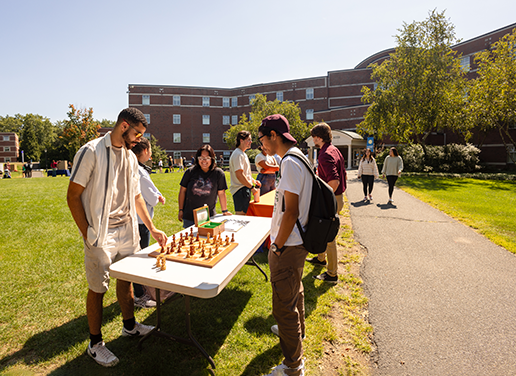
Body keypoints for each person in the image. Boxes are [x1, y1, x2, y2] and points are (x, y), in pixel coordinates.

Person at [66, 107, 168, 367]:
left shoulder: (131, 158)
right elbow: (73, 195)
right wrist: (87, 232)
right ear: (123, 126)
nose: (138, 140)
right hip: (100, 233)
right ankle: (95, 343)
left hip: (127, 229)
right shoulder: (91, 151)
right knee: (98, 288)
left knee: (126, 280)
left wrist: (152, 227)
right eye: (136, 134)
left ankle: (129, 326)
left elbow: (136, 197)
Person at [258, 114, 312, 376]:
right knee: (295, 294)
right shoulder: (298, 157)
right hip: (297, 244)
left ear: (273, 136)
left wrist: (277, 246)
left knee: (283, 307)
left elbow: (290, 212)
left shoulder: (290, 163)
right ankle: (297, 338)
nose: (262, 146)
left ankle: (292, 366)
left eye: (263, 140)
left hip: (288, 245)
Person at [306, 122, 346, 283]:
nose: (312, 140)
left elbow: (334, 181)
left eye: (313, 137)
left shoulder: (324, 154)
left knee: (329, 237)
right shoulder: (334, 150)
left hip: (332, 199)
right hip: (338, 197)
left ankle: (332, 274)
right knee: (323, 230)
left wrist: (323, 200)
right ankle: (321, 259)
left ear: (318, 137)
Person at [131, 137, 166, 308]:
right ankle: (139, 295)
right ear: (144, 151)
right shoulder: (139, 171)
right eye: (150, 149)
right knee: (138, 257)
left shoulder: (134, 168)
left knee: (135, 255)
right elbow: (151, 198)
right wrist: (158, 197)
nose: (151, 153)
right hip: (140, 221)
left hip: (134, 220)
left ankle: (138, 292)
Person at [178, 144, 232, 228]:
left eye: (207, 158)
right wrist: (181, 210)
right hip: (190, 217)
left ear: (212, 159)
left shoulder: (218, 173)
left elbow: (221, 193)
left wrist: (224, 211)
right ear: (197, 159)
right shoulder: (190, 172)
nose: (204, 161)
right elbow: (182, 191)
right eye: (201, 158)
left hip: (209, 216)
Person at [229, 131, 261, 215]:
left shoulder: (242, 153)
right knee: (241, 217)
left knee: (245, 216)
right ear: (241, 140)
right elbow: (239, 175)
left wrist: (253, 181)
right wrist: (252, 187)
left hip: (244, 189)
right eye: (248, 140)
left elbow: (245, 173)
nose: (251, 142)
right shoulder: (238, 154)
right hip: (241, 190)